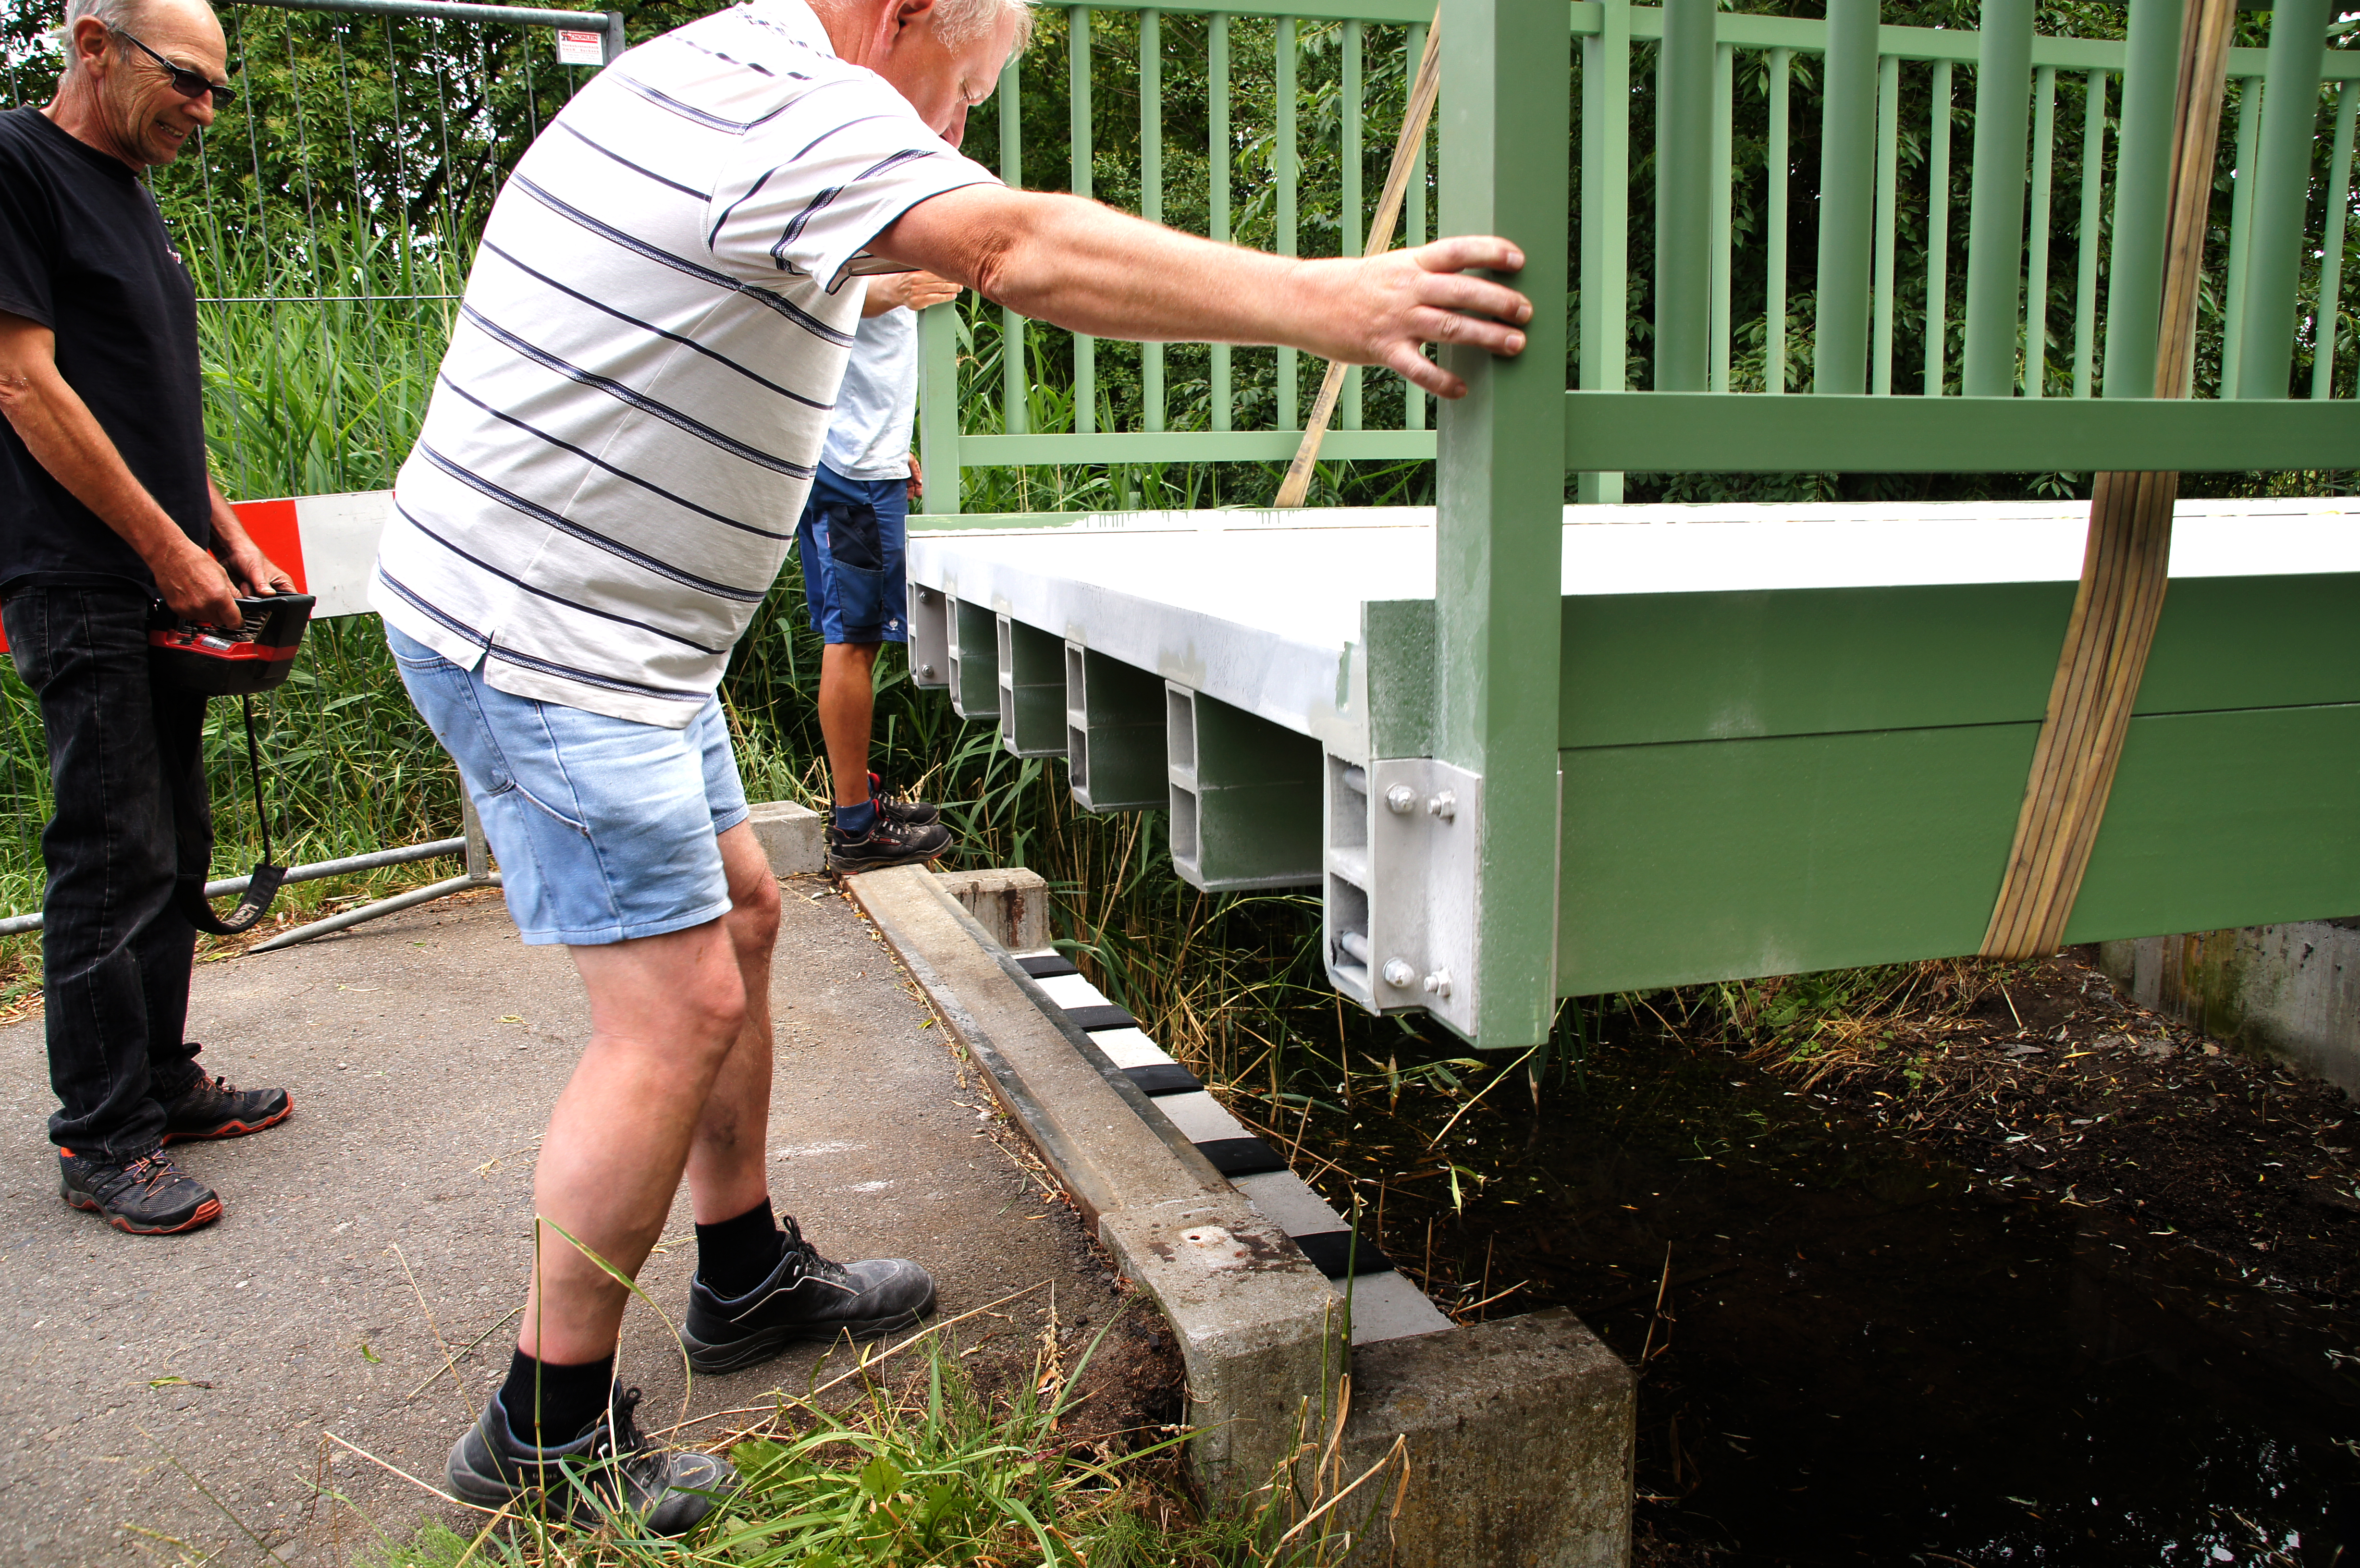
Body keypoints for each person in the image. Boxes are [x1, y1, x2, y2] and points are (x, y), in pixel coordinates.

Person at [370, 0, 1532, 1531]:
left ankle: (739, 1276)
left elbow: (885, 263)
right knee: (675, 1005)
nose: (953, 138)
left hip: (623, 636)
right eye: (961, 94)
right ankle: (542, 1430)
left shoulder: (735, 80)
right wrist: (1331, 301)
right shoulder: (782, 98)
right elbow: (1016, 247)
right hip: (550, 637)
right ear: (902, 11)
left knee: (745, 917)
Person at [0, 0, 294, 1239]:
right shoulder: (19, 167)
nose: (206, 109)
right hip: (81, 572)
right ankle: (103, 1137)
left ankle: (162, 1082)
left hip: (166, 573)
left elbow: (149, 403)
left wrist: (219, 528)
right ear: (93, 45)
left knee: (172, 835)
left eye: (219, 88)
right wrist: (165, 546)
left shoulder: (135, 195)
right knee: (108, 850)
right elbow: (22, 379)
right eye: (188, 79)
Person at [797, 267, 959, 872]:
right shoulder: (860, 226)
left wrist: (894, 450)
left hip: (860, 457)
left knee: (854, 638)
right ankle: (858, 829)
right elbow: (808, 294)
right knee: (854, 641)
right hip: (852, 470)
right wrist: (892, 290)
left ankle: (859, 806)